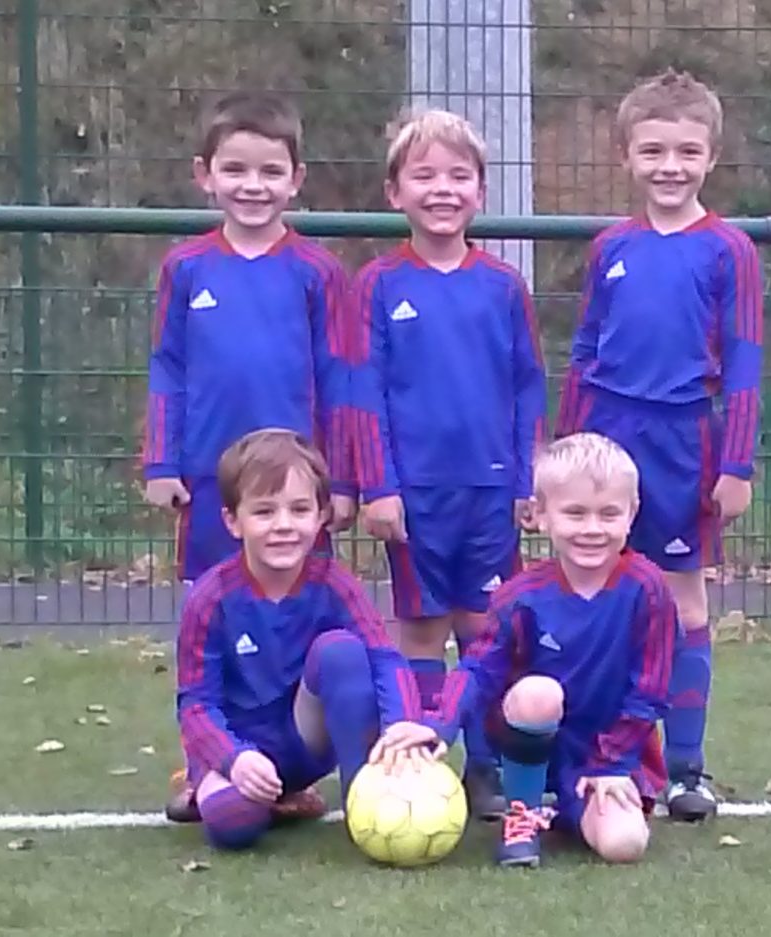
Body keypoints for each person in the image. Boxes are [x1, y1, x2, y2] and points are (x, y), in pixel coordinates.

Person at [554, 70, 763, 821]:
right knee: (595, 588)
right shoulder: (611, 246)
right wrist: (563, 451)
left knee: (680, 599)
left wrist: (736, 462)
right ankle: (596, 755)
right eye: (653, 151)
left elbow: (744, 363)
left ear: (711, 156)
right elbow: (585, 351)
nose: (669, 167)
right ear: (626, 156)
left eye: (686, 152)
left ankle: (686, 768)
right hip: (608, 432)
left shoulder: (729, 250)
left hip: (684, 439)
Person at [143, 90, 357, 821]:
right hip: (212, 483)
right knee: (208, 618)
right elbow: (168, 367)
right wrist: (161, 461)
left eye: (270, 170)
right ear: (205, 175)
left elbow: (338, 377)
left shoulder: (317, 271)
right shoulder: (185, 267)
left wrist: (342, 479)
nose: (253, 185)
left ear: (296, 179)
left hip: (296, 492)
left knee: (302, 622)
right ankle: (207, 762)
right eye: (235, 169)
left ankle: (291, 768)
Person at [351, 109, 548, 819]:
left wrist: (526, 479)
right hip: (415, 494)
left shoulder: (503, 285)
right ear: (394, 192)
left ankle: (485, 767)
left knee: (486, 629)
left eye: (458, 176)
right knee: (422, 629)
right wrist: (377, 485)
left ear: (480, 192)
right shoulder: (376, 284)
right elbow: (363, 390)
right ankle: (421, 760)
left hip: (490, 492)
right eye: (424, 175)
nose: (442, 189)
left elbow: (528, 385)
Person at [376, 433, 678, 867]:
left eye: (608, 514)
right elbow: (478, 668)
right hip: (534, 732)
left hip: (610, 750)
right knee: (538, 693)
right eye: (575, 513)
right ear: (540, 515)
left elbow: (650, 690)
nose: (592, 529)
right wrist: (438, 725)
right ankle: (523, 812)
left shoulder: (649, 589)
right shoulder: (521, 596)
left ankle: (572, 806)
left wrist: (611, 764)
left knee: (624, 844)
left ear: (632, 513)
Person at [175, 429, 428, 850]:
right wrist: (233, 759)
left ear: (320, 516)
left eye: (299, 509)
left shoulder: (336, 585)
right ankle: (210, 786)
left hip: (302, 742)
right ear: (233, 521)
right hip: (242, 752)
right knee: (233, 823)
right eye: (264, 512)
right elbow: (196, 704)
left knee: (343, 652)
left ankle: (362, 801)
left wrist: (403, 722)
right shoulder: (209, 598)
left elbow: (385, 658)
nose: (283, 526)